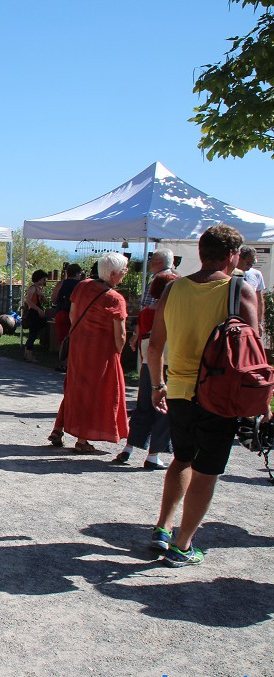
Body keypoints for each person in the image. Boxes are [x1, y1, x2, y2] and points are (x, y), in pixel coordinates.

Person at [147, 225, 262, 567]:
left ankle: (162, 527)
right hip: (219, 392)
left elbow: (155, 345)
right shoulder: (241, 290)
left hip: (179, 389)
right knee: (207, 469)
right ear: (233, 256)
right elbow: (253, 350)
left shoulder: (173, 289)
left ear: (201, 252)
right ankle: (183, 545)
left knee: (181, 458)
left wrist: (156, 384)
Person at [48, 253, 129, 452]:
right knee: (94, 393)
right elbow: (121, 335)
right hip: (100, 352)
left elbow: (72, 315)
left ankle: (58, 429)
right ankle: (82, 440)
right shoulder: (115, 298)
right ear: (113, 273)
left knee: (74, 388)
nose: (125, 273)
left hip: (79, 346)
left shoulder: (82, 286)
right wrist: (118, 351)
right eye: (123, 270)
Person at [113, 273, 177, 469]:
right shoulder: (170, 312)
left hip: (147, 364)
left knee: (143, 408)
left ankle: (129, 448)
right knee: (164, 411)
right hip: (166, 364)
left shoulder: (145, 312)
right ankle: (153, 455)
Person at [50, 263, 83, 371]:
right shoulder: (81, 285)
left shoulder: (61, 283)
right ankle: (72, 364)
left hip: (61, 313)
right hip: (77, 315)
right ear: (78, 273)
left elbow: (53, 299)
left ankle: (63, 363)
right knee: (75, 340)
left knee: (63, 340)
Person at [237, 245, 266, 334]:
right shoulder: (229, 273)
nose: (250, 266)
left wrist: (260, 322)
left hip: (250, 318)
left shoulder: (256, 274)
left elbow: (259, 300)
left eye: (253, 263)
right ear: (239, 259)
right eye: (248, 263)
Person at [22, 270, 49, 362]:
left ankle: (27, 353)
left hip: (37, 312)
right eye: (44, 279)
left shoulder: (39, 289)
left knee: (34, 334)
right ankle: (28, 354)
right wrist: (38, 309)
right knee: (33, 334)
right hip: (33, 313)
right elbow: (28, 301)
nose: (45, 281)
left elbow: (45, 302)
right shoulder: (33, 288)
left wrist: (42, 296)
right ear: (39, 279)